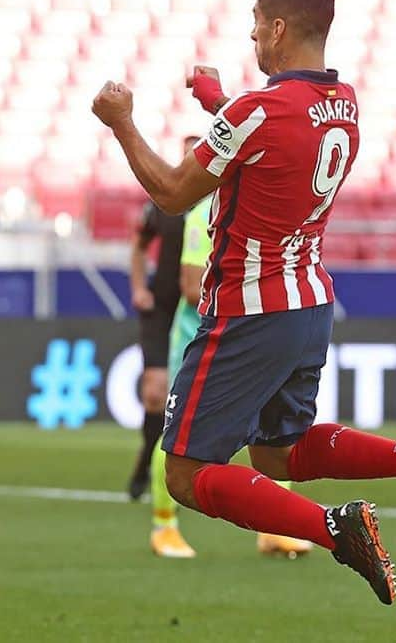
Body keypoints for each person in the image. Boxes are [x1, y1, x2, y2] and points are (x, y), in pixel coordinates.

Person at [92, 0, 396, 604]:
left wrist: (121, 122)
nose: (251, 32)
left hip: (247, 311)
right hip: (309, 302)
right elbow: (278, 142)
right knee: (278, 455)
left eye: (256, 21)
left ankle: (337, 529)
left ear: (277, 28)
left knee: (187, 475)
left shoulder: (257, 112)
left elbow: (171, 192)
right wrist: (219, 104)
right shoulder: (345, 105)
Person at [150, 193, 312, 560]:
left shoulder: (263, 205)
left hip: (251, 334)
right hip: (203, 338)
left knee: (275, 427)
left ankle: (275, 528)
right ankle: (165, 527)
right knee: (179, 433)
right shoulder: (205, 212)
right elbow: (192, 289)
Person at [126, 139, 197, 500]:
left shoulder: (217, 202)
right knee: (155, 393)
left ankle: (168, 472)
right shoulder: (165, 200)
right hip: (161, 305)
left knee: (181, 396)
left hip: (197, 307)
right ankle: (145, 464)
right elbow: (138, 246)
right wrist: (139, 286)